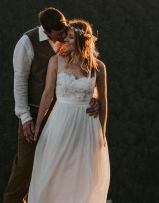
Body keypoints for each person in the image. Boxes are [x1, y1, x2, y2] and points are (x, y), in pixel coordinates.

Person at [4, 8, 99, 203]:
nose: (65, 36)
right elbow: (20, 81)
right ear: (47, 32)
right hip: (34, 111)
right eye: (60, 34)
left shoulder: (70, 38)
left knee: (55, 164)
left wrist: (94, 97)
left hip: (63, 114)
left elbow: (86, 70)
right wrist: (25, 117)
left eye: (66, 31)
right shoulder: (26, 43)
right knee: (26, 165)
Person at [28, 19, 110, 203]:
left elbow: (103, 100)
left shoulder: (98, 67)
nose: (65, 39)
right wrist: (39, 123)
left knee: (81, 171)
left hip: (87, 125)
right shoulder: (56, 61)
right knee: (57, 167)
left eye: (71, 37)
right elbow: (48, 94)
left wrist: (102, 133)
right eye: (66, 35)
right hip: (61, 120)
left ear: (82, 41)